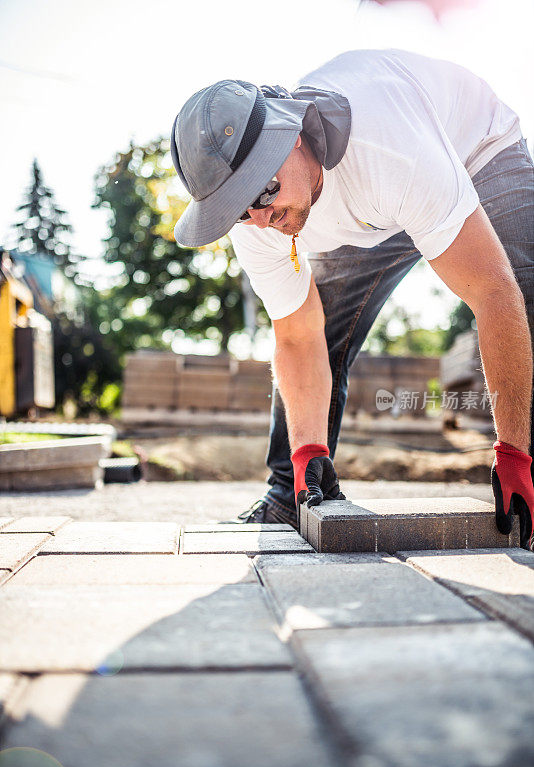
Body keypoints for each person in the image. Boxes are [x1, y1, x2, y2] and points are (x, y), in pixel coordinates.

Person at [170, 48, 534, 550]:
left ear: (291, 136)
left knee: (523, 294)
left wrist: (514, 451)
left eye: (263, 192)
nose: (260, 218)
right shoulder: (258, 218)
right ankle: (289, 493)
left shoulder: (389, 152)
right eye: (237, 210)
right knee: (327, 329)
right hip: (376, 205)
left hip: (478, 153)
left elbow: (492, 294)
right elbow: (298, 335)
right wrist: (307, 451)